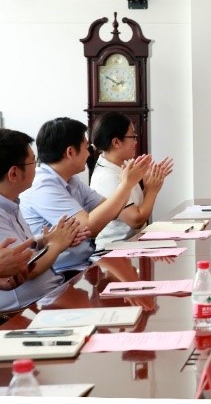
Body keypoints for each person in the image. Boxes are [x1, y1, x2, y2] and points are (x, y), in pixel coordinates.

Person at [20, 117, 150, 274]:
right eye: (86, 147)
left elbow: (112, 210)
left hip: (84, 263)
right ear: (70, 152)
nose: (89, 154)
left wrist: (128, 184)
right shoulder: (44, 186)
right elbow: (88, 228)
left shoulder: (71, 179)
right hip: (62, 272)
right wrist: (127, 185)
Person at [0, 128, 83, 311]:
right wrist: (57, 244)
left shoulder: (11, 203)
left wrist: (44, 240)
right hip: (26, 310)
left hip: (50, 294)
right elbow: (26, 267)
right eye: (33, 162)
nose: (37, 168)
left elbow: (22, 248)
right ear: (14, 174)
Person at [88, 112, 173, 249]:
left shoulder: (124, 165)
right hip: (113, 250)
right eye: (133, 136)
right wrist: (152, 191)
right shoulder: (106, 177)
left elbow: (138, 208)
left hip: (133, 245)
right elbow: (136, 220)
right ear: (116, 142)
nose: (136, 141)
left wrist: (148, 186)